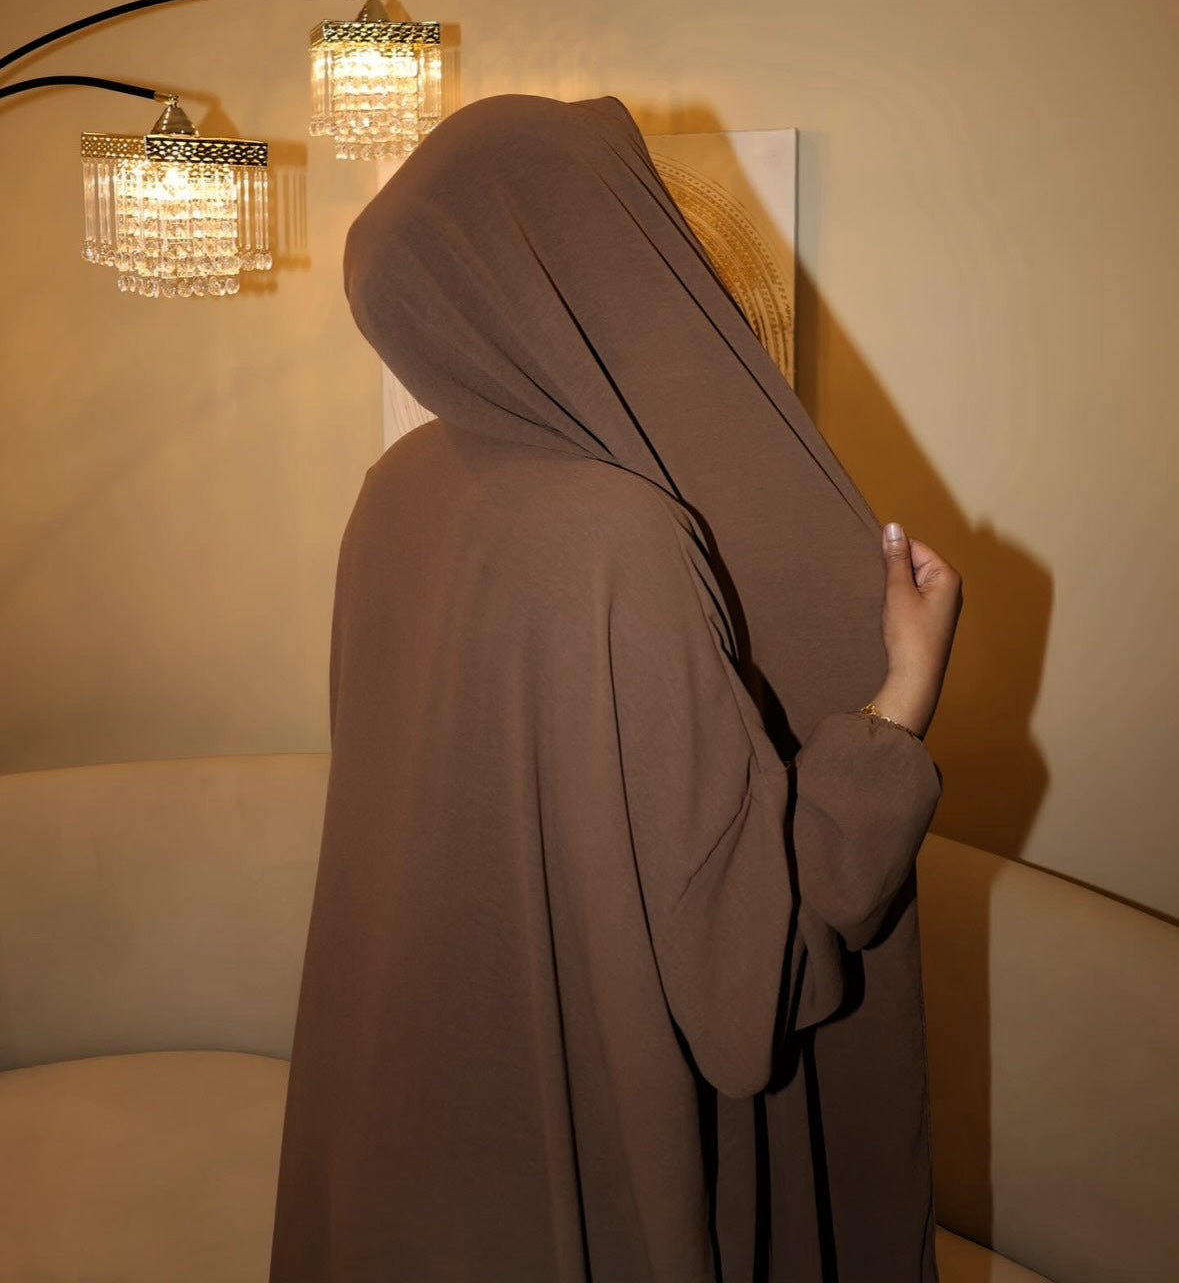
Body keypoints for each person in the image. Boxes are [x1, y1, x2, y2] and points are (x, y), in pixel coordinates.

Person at [269, 93, 963, 1283]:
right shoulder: (619, 539)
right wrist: (904, 694)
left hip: (415, 1135)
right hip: (596, 1161)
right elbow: (751, 987)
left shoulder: (398, 491)